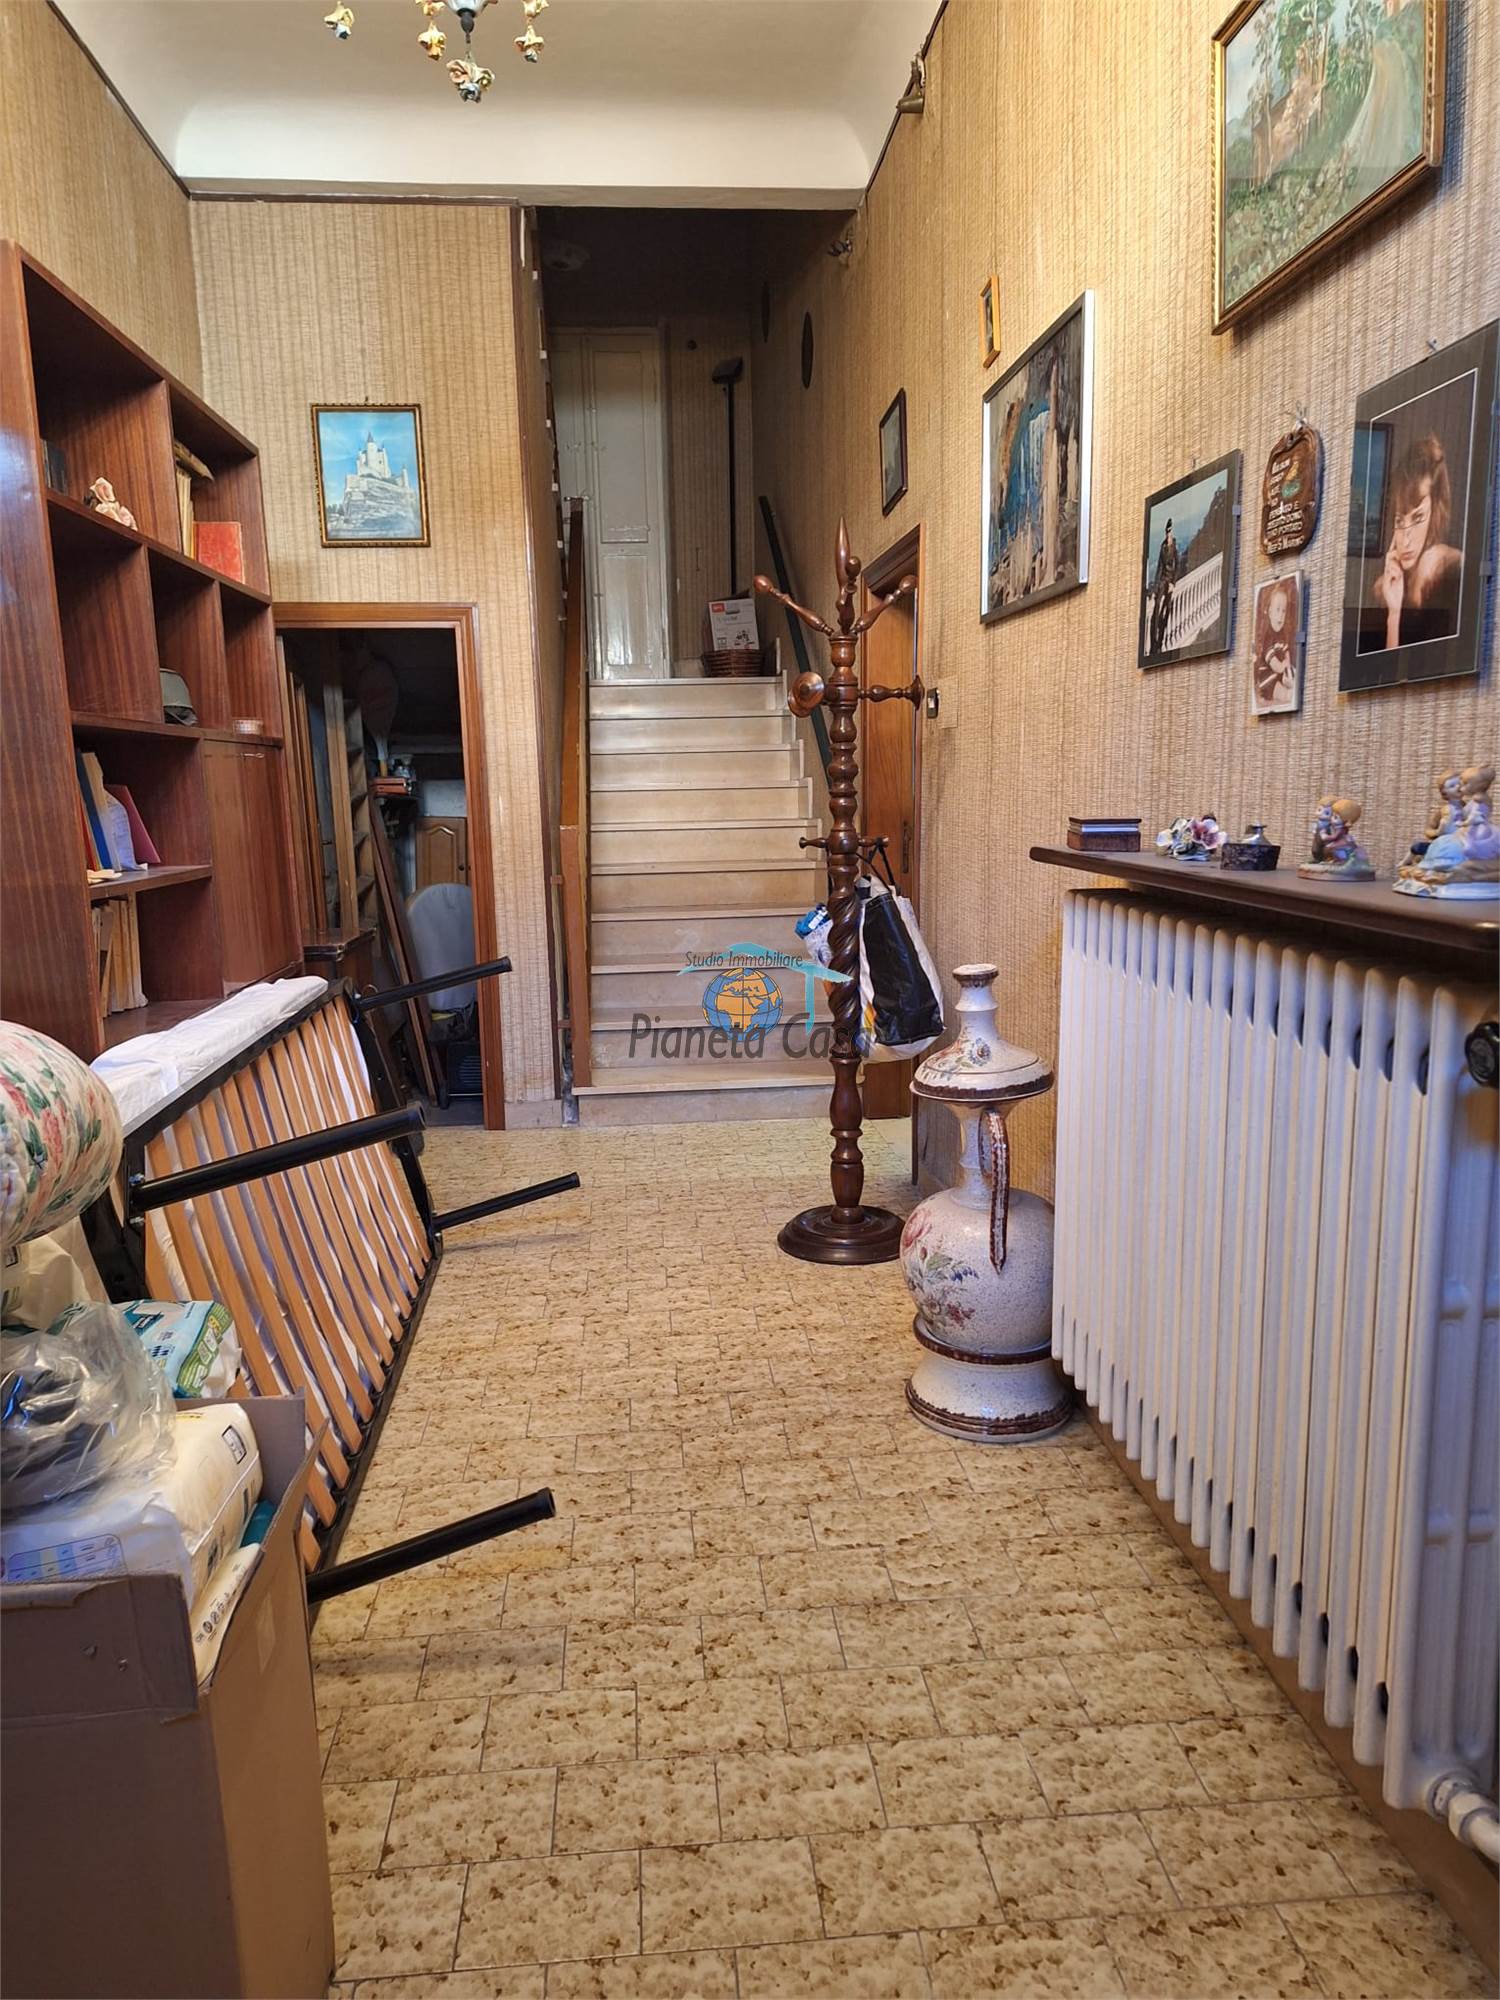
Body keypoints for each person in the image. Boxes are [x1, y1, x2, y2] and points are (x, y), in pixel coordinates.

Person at [1363, 432, 1463, 651]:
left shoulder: (1448, 569)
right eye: (1400, 521)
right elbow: (1389, 666)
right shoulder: (1385, 589)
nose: (1406, 540)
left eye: (1418, 518)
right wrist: (1394, 614)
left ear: (1435, 512)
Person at [1253, 577, 1298, 709]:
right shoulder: (1268, 637)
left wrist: (1288, 664)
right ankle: (1286, 694)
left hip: (1279, 672)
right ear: (1269, 612)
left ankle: (1290, 683)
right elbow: (1274, 664)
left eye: (1283, 611)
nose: (1281, 615)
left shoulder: (1282, 634)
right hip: (1267, 679)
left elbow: (1286, 651)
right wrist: (1283, 667)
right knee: (1279, 690)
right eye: (1277, 610)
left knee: (1292, 673)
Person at [1150, 518, 1179, 654]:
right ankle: (1154, 640)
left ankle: (1161, 640)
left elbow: (1177, 564)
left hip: (1170, 580)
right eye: (1167, 532)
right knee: (1156, 607)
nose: (1168, 534)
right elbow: (1159, 567)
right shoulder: (1163, 547)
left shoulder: (1174, 546)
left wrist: (1173, 582)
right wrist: (1155, 587)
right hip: (1162, 580)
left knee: (1166, 609)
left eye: (1170, 532)